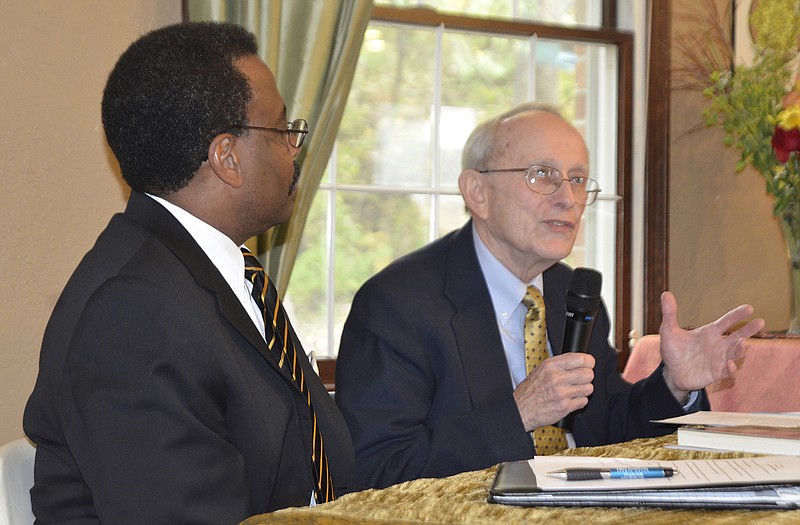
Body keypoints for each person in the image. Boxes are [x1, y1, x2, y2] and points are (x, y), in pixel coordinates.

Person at [23, 22, 357, 524]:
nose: (294, 148)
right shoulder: (132, 313)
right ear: (227, 158)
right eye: (284, 129)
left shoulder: (217, 273)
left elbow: (314, 457)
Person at [334, 102, 765, 489]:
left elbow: (608, 426)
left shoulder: (572, 294)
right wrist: (518, 413)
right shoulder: (398, 305)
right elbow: (377, 469)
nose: (569, 199)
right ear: (477, 192)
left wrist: (674, 384)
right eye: (543, 176)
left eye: (578, 180)